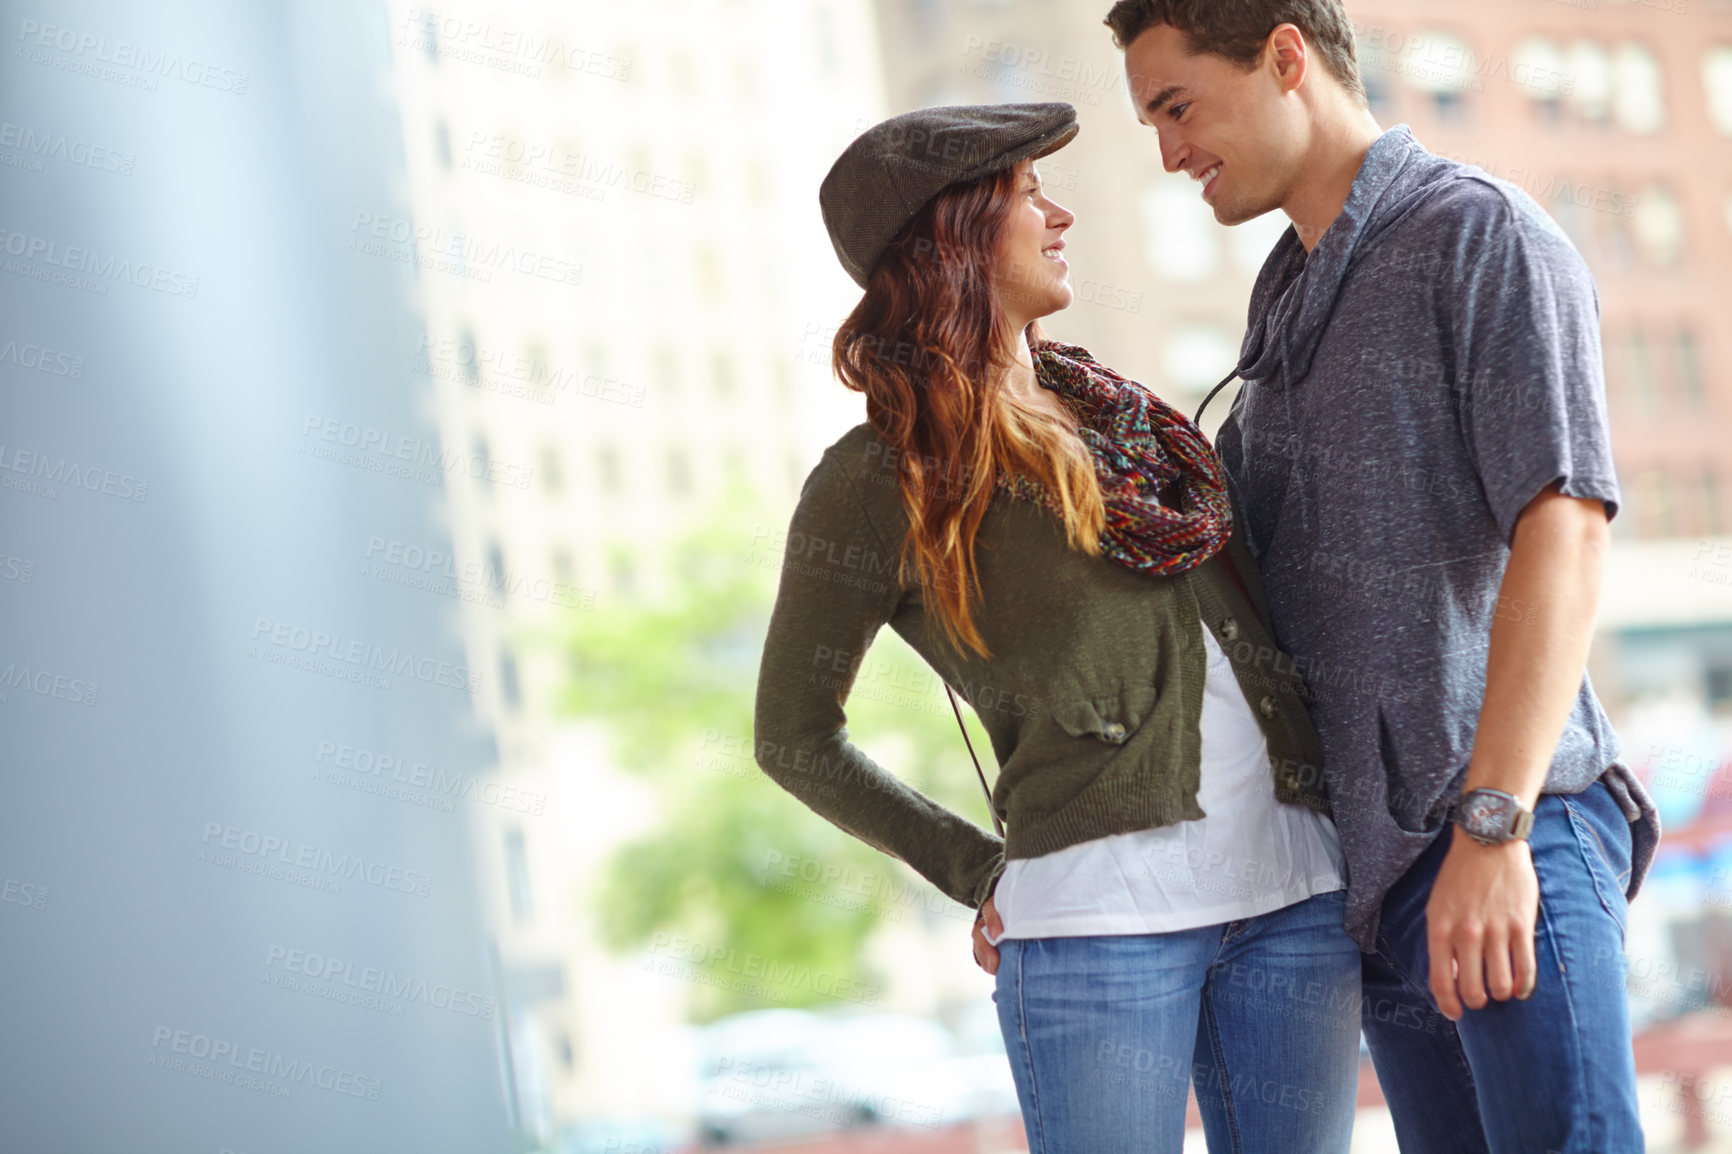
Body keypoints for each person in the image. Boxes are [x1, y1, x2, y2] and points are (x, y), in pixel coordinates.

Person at [1099, 2, 1663, 1151]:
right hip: (1382, 879)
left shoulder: (1479, 235)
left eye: (1176, 105)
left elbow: (1566, 526)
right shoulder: (1285, 306)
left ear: (1285, 57)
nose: (1166, 151)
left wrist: (1494, 828)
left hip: (1505, 834)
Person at [752, 101, 1361, 1154]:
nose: (1061, 214)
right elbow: (794, 733)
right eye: (1032, 195)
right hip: (1095, 924)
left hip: (1294, 895)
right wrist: (974, 867)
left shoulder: (1120, 419)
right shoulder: (875, 480)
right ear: (955, 234)